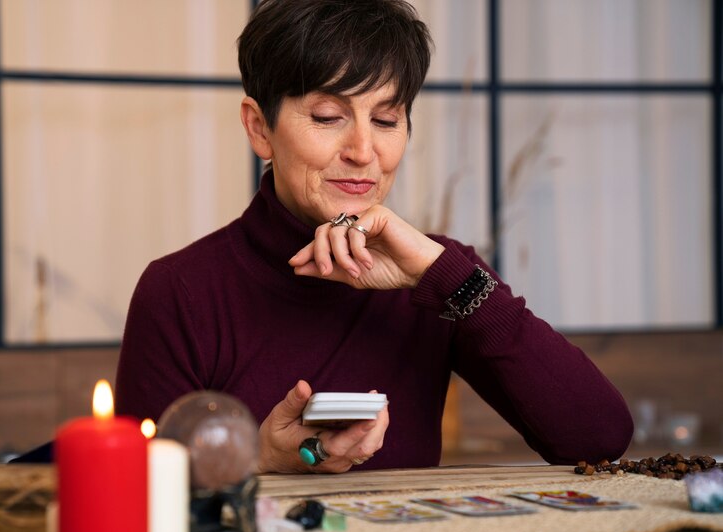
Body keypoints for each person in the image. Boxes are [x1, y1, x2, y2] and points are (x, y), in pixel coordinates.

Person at [115, 0, 633, 474]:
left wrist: (451, 278)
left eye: (386, 119)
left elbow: (598, 439)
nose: (363, 150)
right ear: (259, 128)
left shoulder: (437, 274)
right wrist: (262, 457)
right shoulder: (180, 290)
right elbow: (136, 490)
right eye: (327, 116)